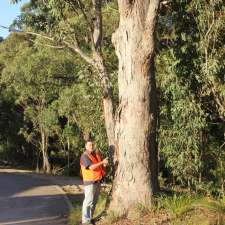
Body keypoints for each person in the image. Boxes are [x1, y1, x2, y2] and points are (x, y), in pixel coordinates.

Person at [80, 140, 109, 225]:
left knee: (94, 202)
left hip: (98, 181)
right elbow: (92, 167)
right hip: (90, 182)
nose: (91, 146)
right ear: (86, 146)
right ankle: (85, 221)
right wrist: (102, 162)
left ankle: (90, 218)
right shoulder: (84, 156)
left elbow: (100, 166)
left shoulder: (96, 155)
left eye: (92, 145)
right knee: (88, 202)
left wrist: (104, 164)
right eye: (89, 145)